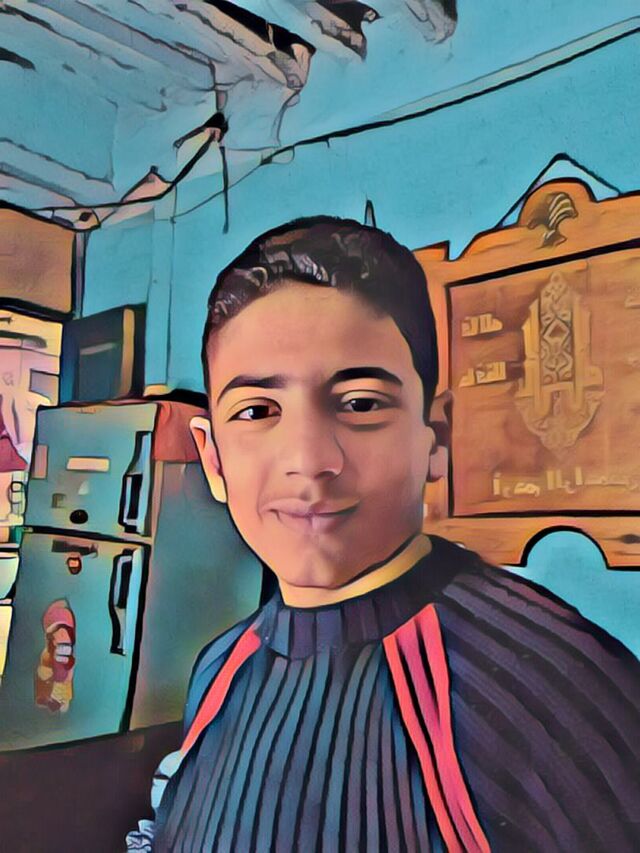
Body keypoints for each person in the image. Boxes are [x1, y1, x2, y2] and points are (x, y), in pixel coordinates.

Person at [127, 218, 640, 852]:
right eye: (257, 411)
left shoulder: (556, 686)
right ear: (213, 460)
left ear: (436, 439)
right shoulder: (220, 669)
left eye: (360, 403)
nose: (309, 460)